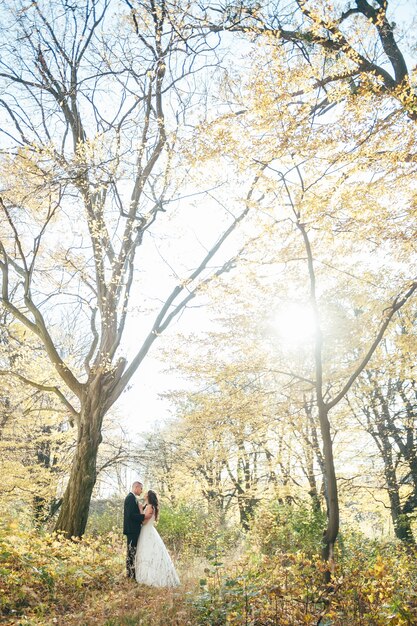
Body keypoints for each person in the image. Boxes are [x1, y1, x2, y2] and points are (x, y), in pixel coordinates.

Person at [135, 489, 180, 587]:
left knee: (149, 552)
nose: (144, 494)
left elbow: (144, 522)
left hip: (147, 531)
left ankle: (150, 578)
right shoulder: (149, 506)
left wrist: (139, 509)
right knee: (148, 552)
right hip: (148, 531)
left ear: (148, 497)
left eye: (146, 494)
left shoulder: (150, 507)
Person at [123, 481, 151, 579]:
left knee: (133, 551)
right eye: (141, 488)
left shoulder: (133, 498)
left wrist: (143, 508)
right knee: (131, 551)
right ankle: (130, 575)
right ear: (136, 487)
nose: (142, 491)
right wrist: (144, 516)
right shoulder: (130, 498)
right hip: (131, 530)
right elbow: (131, 515)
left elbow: (134, 512)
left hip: (133, 530)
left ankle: (132, 574)